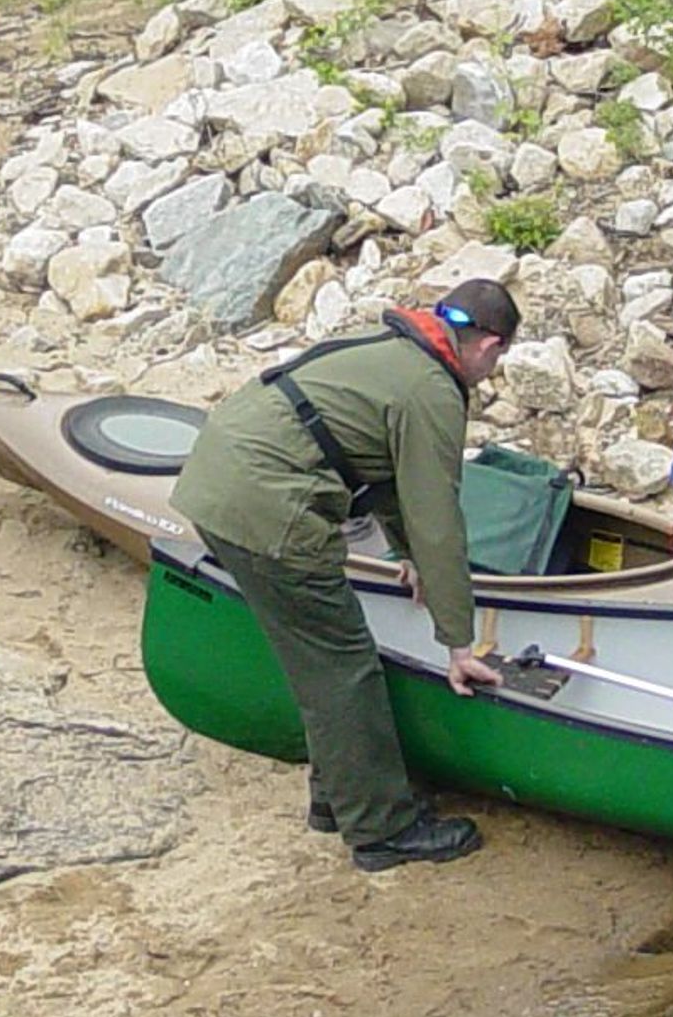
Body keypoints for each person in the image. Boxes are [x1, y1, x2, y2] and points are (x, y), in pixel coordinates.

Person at [173, 280, 521, 872]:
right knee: (344, 668)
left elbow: (383, 474)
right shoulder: (434, 391)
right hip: (269, 505)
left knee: (316, 660)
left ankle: (338, 798)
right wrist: (458, 642)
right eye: (500, 357)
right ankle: (383, 830)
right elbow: (438, 519)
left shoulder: (390, 346)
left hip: (214, 476)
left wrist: (406, 552)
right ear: (488, 346)